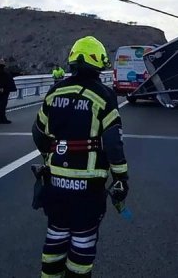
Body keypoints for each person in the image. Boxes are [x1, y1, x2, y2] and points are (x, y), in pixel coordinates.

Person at [32, 36, 129, 277]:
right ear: (100, 62)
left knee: (56, 232)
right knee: (83, 239)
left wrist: (49, 155)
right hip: (89, 184)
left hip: (55, 182)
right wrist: (121, 177)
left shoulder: (55, 92)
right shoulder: (104, 96)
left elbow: (38, 131)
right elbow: (113, 143)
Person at [0, 59, 15, 124]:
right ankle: (2, 118)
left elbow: (8, 75)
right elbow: (0, 80)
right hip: (2, 89)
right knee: (2, 104)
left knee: (0, 104)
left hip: (0, 89)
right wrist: (1, 87)